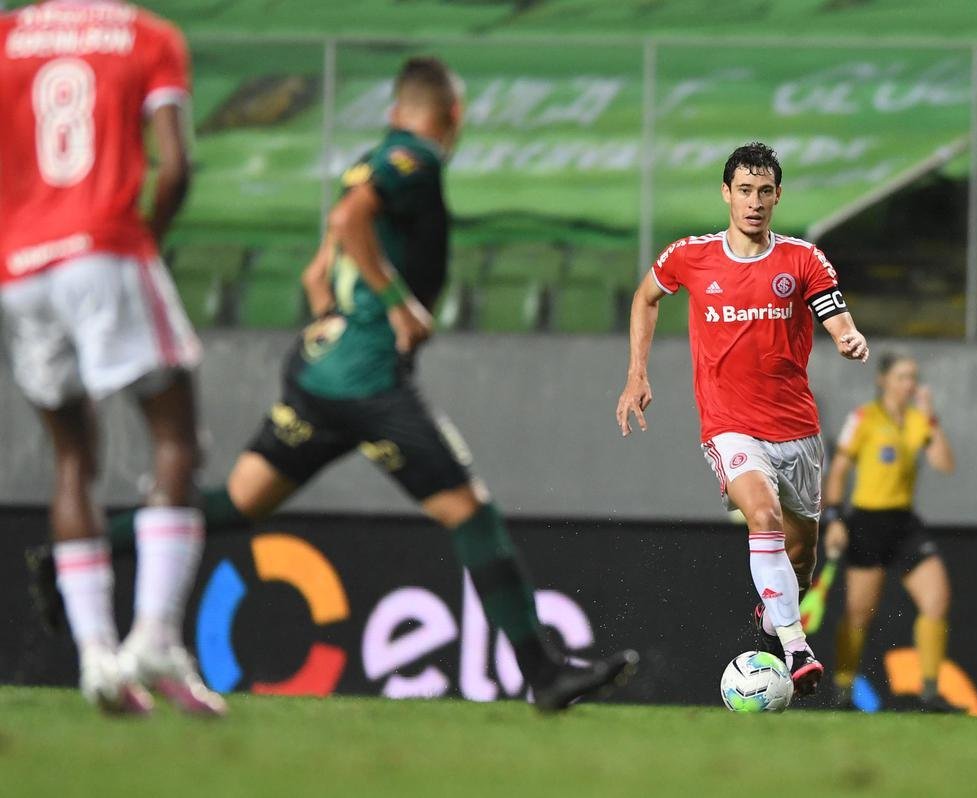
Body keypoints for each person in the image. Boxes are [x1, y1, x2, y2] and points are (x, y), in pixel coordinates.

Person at [34, 55, 638, 712]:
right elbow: (351, 219)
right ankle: (544, 676)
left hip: (320, 372)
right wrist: (399, 304)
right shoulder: (417, 159)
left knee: (240, 501)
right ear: (454, 115)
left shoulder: (373, 157)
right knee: (470, 512)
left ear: (394, 111)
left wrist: (326, 291)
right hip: (367, 381)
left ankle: (73, 557)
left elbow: (327, 248)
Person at [0, 1, 223, 715]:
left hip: (19, 266)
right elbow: (176, 166)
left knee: (72, 459)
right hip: (105, 246)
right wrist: (146, 238)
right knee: (177, 439)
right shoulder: (146, 36)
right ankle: (154, 636)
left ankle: (96, 657)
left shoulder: (7, 37)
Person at [616, 142, 870, 698]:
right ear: (726, 194)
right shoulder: (691, 256)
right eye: (745, 190)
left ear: (778, 197)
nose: (754, 202)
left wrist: (847, 337)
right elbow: (645, 298)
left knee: (801, 557)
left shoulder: (803, 260)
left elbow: (834, 312)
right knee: (762, 515)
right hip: (729, 425)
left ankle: (774, 615)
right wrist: (637, 373)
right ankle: (797, 650)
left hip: (797, 431)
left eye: (765, 192)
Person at [821, 351, 960, 712]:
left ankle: (930, 693)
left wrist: (931, 417)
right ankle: (842, 691)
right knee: (859, 613)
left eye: (913, 377)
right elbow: (839, 471)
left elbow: (944, 464)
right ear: (882, 380)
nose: (909, 384)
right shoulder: (864, 418)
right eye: (901, 377)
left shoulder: (917, 420)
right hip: (867, 521)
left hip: (904, 523)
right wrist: (834, 518)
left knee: (937, 599)